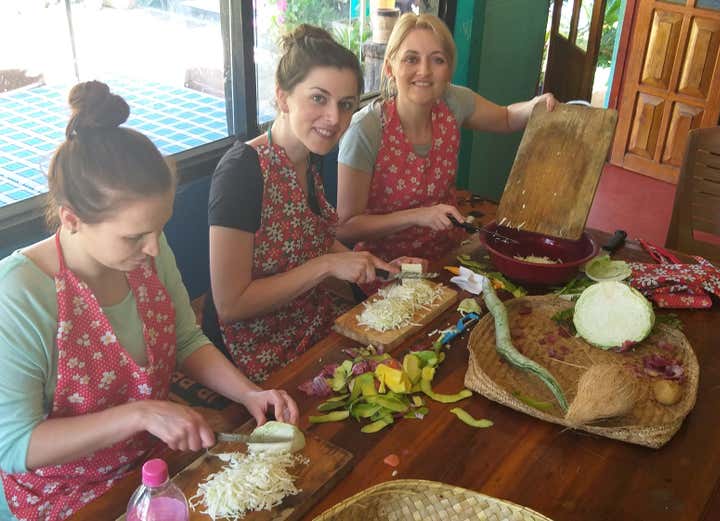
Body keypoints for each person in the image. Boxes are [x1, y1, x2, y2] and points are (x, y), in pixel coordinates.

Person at [0, 81, 298, 521]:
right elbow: (15, 446)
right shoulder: (20, 294)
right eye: (135, 235)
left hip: (149, 470)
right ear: (72, 219)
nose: (154, 248)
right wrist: (140, 414)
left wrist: (251, 393)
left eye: (160, 228)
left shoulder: (144, 253)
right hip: (67, 496)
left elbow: (185, 339)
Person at [206, 25, 398, 384]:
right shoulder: (240, 172)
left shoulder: (310, 157)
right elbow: (230, 305)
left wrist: (381, 271)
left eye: (345, 105)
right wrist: (327, 266)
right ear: (282, 97)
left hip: (309, 318)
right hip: (253, 347)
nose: (334, 119)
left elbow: (310, 235)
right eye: (318, 98)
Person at [337, 12, 557, 263]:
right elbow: (346, 227)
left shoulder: (454, 102)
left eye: (437, 60)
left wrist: (534, 105)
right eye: (411, 59)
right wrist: (417, 215)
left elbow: (506, 117)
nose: (424, 71)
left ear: (449, 70)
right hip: (386, 270)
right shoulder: (365, 129)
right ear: (390, 67)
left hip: (448, 258)